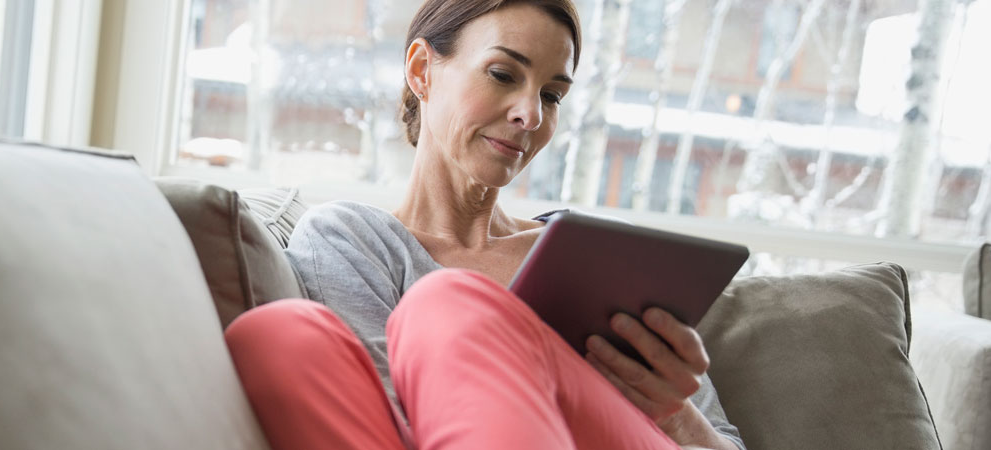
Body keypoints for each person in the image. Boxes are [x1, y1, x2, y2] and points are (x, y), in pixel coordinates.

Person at [222, 1, 745, 449]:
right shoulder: (350, 239)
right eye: (503, 74)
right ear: (422, 70)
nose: (531, 115)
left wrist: (673, 412)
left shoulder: (598, 252)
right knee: (273, 335)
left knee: (447, 302)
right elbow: (388, 422)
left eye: (551, 95)